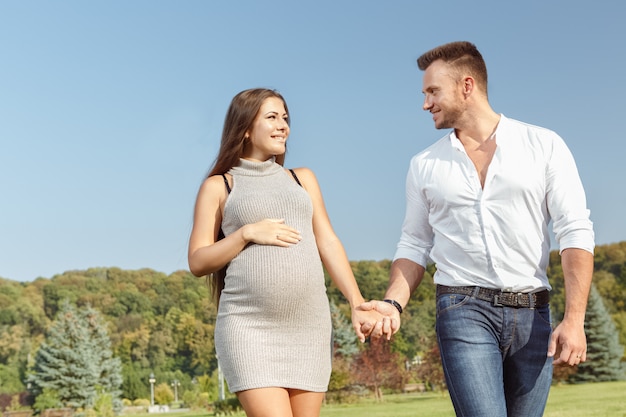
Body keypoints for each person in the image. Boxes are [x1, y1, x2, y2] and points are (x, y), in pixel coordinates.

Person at [359, 41, 595, 417]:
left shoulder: (544, 145)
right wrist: (392, 302)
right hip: (462, 309)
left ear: (466, 86)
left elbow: (575, 231)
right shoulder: (425, 164)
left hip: (533, 313)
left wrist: (575, 319)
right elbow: (414, 243)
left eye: (432, 91)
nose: (425, 103)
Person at [188, 88, 379, 417]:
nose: (284, 126)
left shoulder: (302, 179)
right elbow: (198, 260)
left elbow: (328, 242)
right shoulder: (220, 186)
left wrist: (356, 302)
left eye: (286, 118)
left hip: (308, 327)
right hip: (249, 330)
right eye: (272, 117)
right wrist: (247, 233)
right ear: (246, 127)